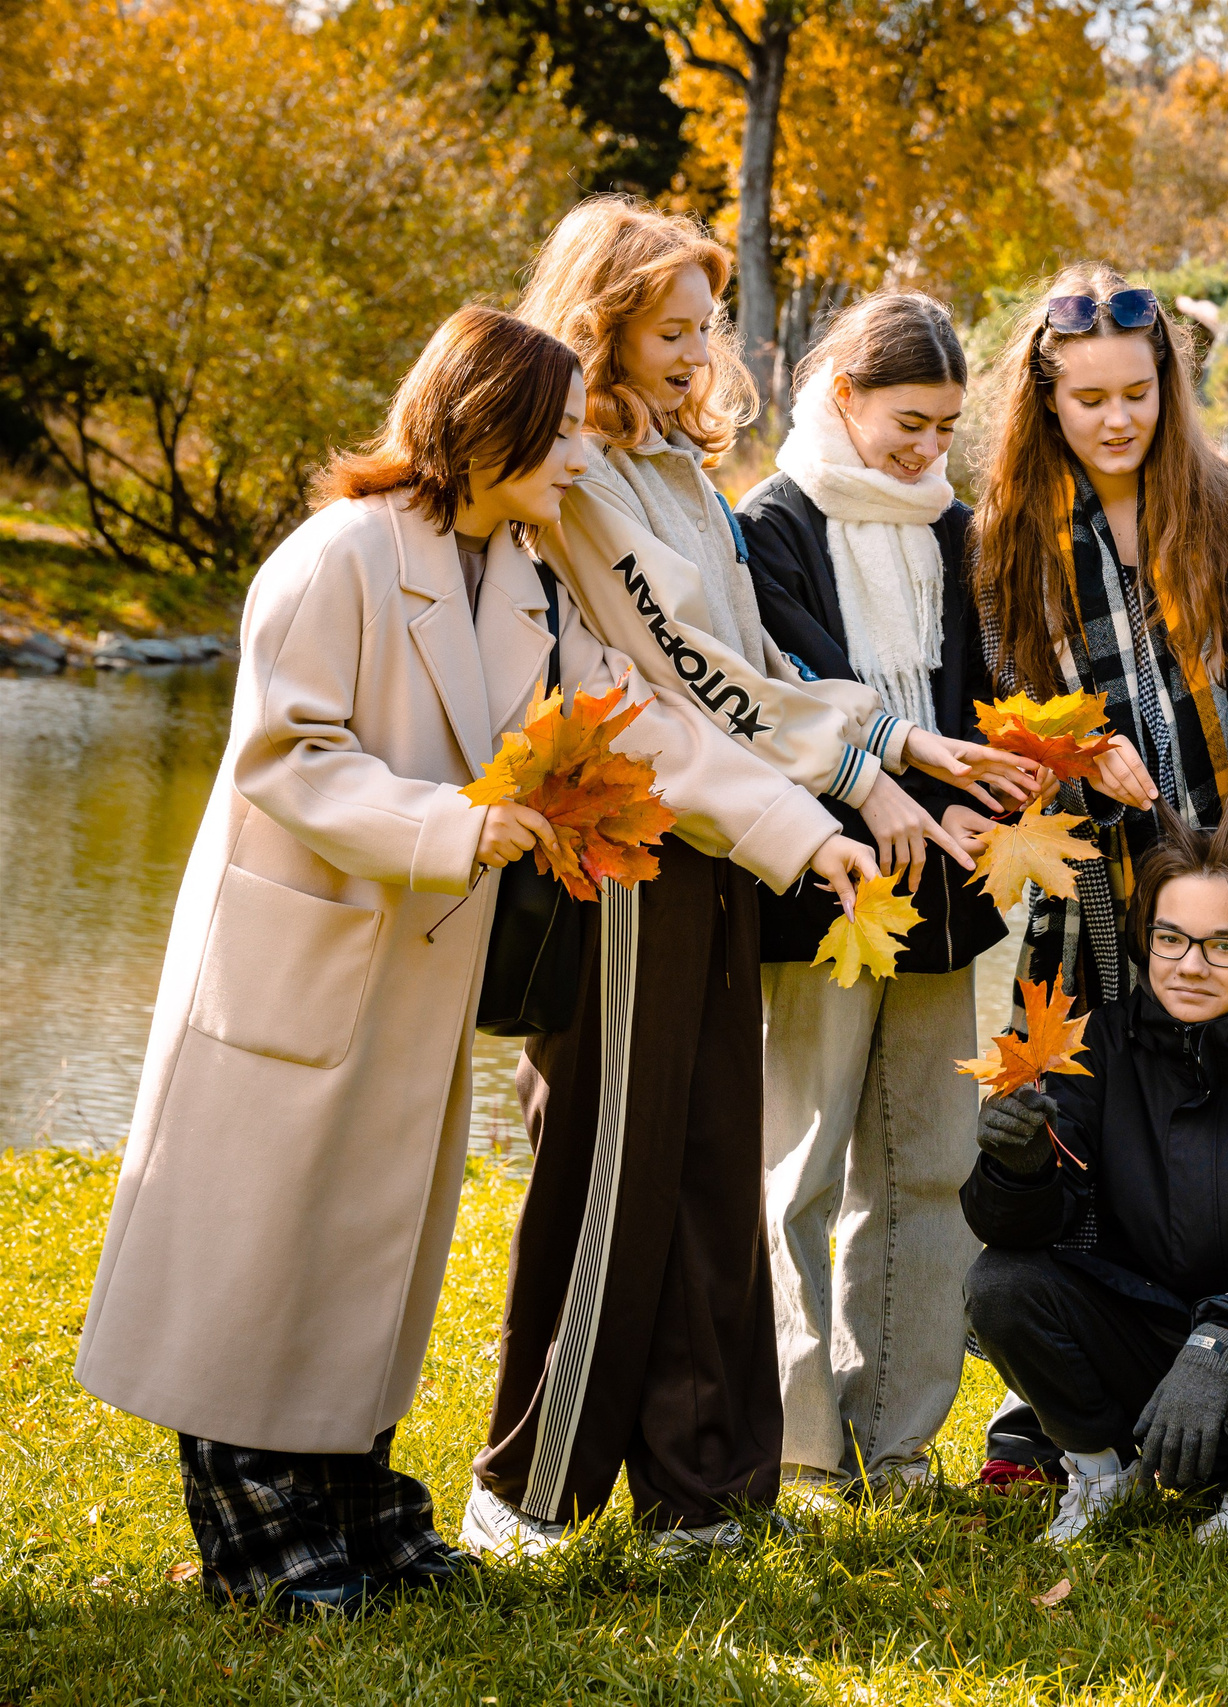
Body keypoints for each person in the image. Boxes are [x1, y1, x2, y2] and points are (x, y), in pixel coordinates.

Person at [75, 308, 858, 1612]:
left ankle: (348, 1486)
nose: (574, 460)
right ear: (482, 424)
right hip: (301, 950)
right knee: (261, 1237)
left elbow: (646, 726)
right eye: (556, 436)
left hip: (408, 965)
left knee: (369, 1239)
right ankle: (259, 1522)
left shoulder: (514, 573)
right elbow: (289, 754)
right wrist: (458, 824)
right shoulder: (337, 558)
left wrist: (799, 831)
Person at [467, 197, 1026, 1555]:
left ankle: (699, 1482)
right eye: (669, 328)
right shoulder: (585, 476)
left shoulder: (678, 471)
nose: (696, 352)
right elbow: (684, 674)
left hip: (721, 852)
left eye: (705, 325)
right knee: (614, 1164)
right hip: (627, 859)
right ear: (596, 324)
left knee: (713, 1157)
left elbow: (763, 671)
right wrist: (850, 780)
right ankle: (529, 1484)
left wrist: (892, 744)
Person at [967, 262, 1228, 1482]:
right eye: (1088, 399)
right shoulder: (1004, 538)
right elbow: (995, 703)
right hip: (1089, 901)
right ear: (1046, 400)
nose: (1117, 420)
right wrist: (1070, 751)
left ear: (1168, 387)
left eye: (1137, 394)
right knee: (1076, 1145)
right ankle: (1058, 1411)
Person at [733, 293, 1011, 1502]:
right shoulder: (770, 525)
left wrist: (974, 805)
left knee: (931, 1163)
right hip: (823, 885)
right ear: (841, 392)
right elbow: (778, 691)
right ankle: (802, 1444)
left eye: (944, 429)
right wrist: (889, 783)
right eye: (907, 422)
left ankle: (896, 1438)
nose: (924, 452)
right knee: (800, 1165)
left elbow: (980, 694)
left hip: (943, 885)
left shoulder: (960, 532)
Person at [960, 782, 1228, 1543]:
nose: (1192, 965)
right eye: (1170, 938)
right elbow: (1029, 1228)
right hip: (1143, 1332)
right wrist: (1018, 1168)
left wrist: (1226, 1333)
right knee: (1000, 1282)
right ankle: (1098, 1466)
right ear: (1143, 937)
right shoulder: (1097, 1044)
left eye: (1224, 944)